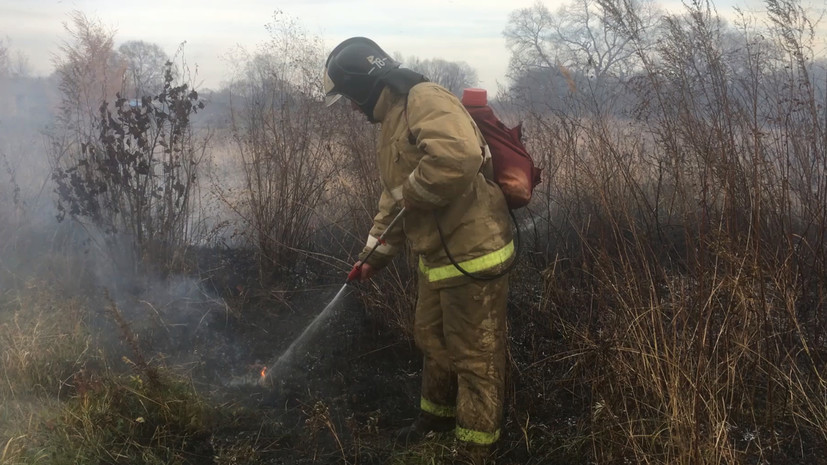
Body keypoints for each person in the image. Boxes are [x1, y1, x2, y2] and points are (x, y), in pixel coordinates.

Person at [324, 37, 514, 465]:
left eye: (350, 97)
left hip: (473, 253)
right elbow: (395, 200)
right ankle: (436, 423)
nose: (352, 107)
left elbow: (459, 156)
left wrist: (415, 192)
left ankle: (474, 449)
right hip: (438, 256)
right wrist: (372, 256)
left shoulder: (424, 99)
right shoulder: (393, 118)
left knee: (475, 357)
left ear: (363, 85)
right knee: (431, 338)